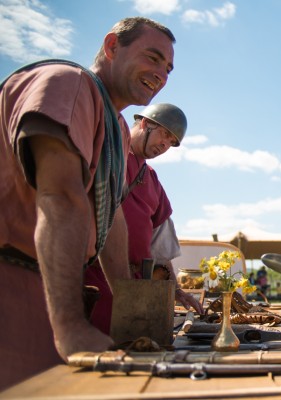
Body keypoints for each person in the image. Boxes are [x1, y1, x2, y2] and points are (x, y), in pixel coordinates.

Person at [0, 17, 175, 390]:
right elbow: (59, 198)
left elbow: (110, 221)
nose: (161, 74)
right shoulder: (69, 84)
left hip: (47, 298)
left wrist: (133, 315)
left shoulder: (114, 125)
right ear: (112, 46)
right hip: (12, 293)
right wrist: (71, 327)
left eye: (168, 68)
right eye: (153, 57)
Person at [84, 103, 204, 335]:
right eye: (164, 135)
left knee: (134, 350)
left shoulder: (152, 180)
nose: (165, 145)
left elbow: (160, 248)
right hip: (92, 279)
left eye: (171, 142)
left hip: (137, 284)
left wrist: (176, 291)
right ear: (145, 123)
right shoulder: (103, 154)